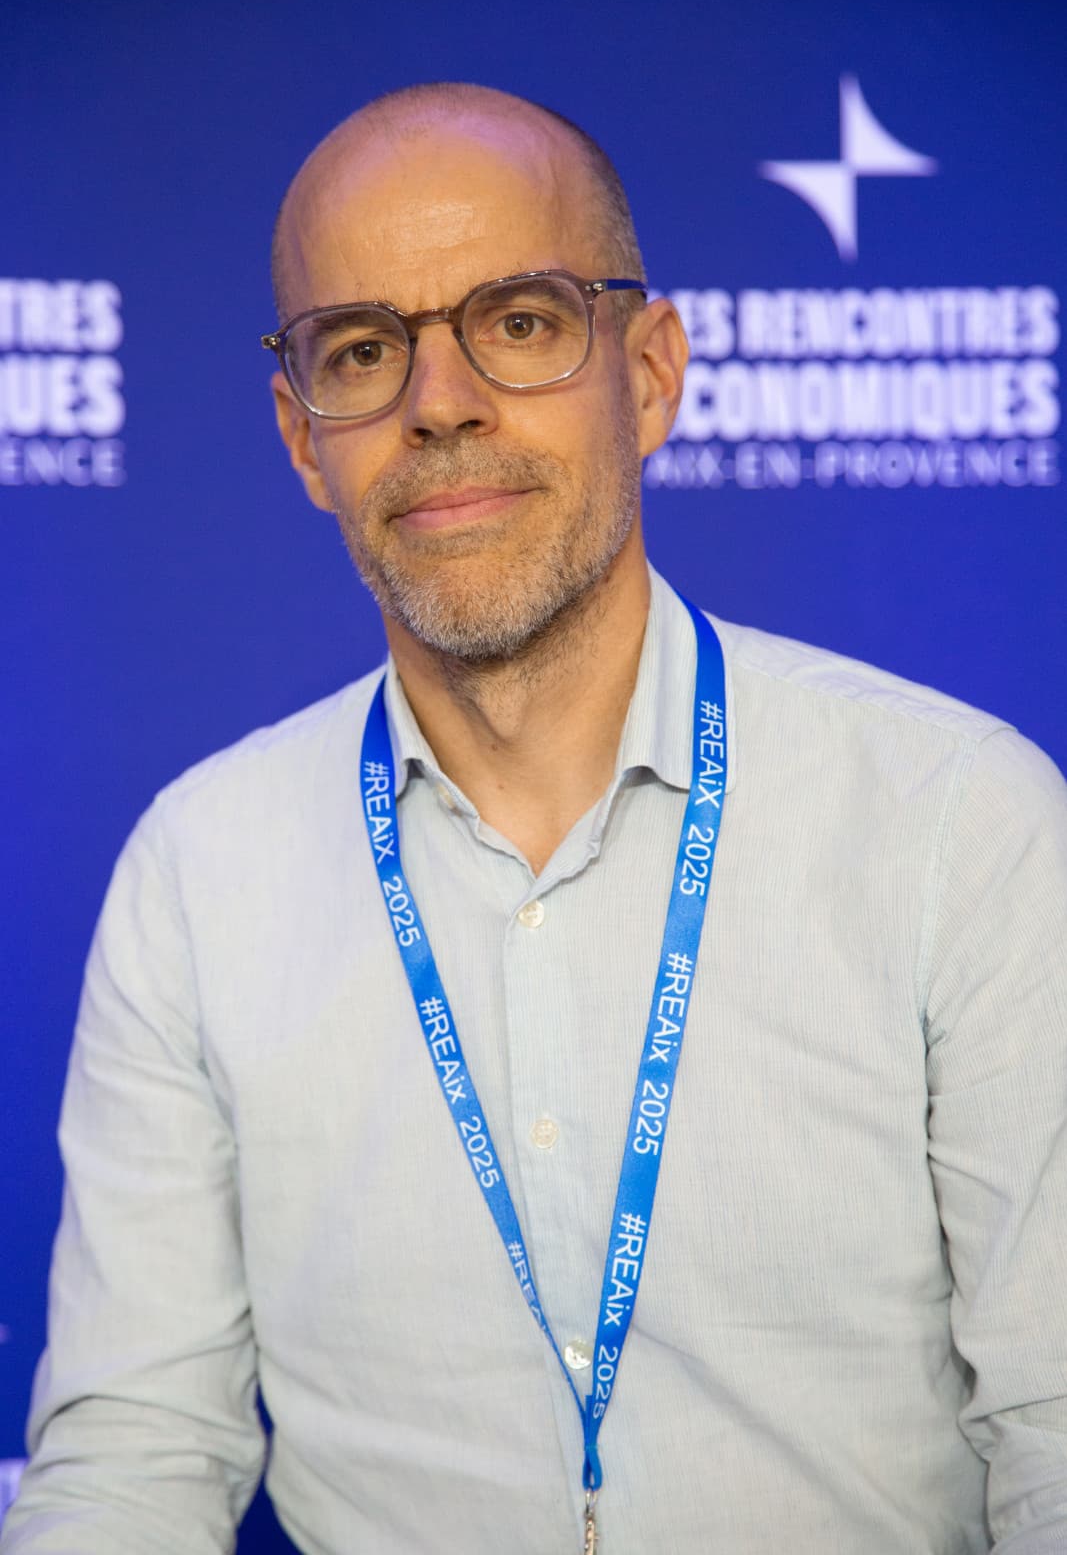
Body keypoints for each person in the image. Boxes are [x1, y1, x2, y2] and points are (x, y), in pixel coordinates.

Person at [3, 81, 1066, 1555]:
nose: (439, 403)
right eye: (361, 349)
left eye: (518, 320)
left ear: (652, 373)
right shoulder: (200, 874)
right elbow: (133, 1462)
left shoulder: (961, 823)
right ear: (304, 441)